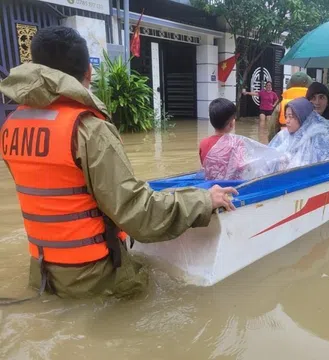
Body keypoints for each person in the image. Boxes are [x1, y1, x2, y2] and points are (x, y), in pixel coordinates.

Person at [0, 26, 238, 299]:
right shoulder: (87, 129)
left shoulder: (13, 125)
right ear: (88, 72)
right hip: (94, 276)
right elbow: (137, 214)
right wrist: (204, 200)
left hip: (42, 272)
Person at [201, 98, 284, 180]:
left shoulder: (203, 143)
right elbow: (241, 167)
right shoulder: (236, 142)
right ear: (231, 123)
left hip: (211, 183)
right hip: (231, 185)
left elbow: (205, 165)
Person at [269, 97, 329, 167]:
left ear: (303, 118)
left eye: (291, 117)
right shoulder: (283, 135)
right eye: (286, 116)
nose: (287, 121)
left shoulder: (318, 137)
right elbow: (269, 156)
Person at [267, 72, 313, 142]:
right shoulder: (312, 104)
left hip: (284, 140)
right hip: (306, 141)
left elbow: (272, 129)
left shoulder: (281, 105)